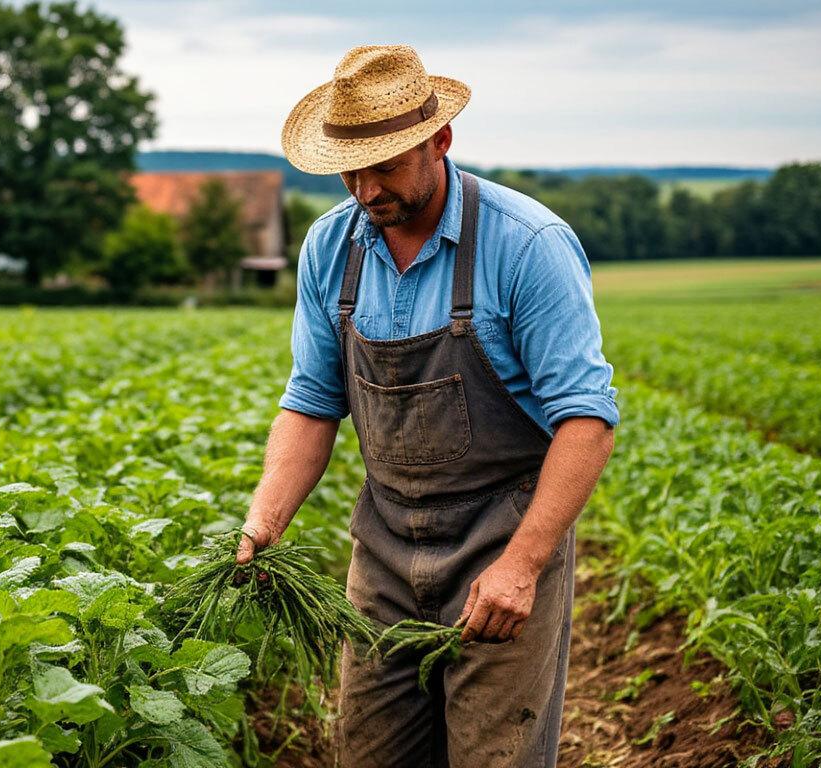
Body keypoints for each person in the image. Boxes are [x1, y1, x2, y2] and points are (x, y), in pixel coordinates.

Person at [236, 44, 619, 767]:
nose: (365, 189)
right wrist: (266, 522)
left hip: (500, 541)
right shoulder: (331, 246)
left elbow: (586, 420)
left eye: (384, 166)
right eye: (350, 169)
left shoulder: (527, 244)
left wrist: (522, 565)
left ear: (439, 140)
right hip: (383, 551)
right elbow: (312, 403)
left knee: (494, 757)